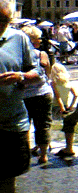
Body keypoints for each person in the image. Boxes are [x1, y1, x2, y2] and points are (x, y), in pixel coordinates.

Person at [0, 0, 42, 193]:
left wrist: (21, 76)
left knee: (8, 179)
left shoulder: (19, 38)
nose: (2, 25)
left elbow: (39, 74)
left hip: (12, 123)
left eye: (5, 20)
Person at [21, 25, 54, 165]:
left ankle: (25, 153)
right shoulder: (42, 54)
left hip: (24, 95)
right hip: (43, 93)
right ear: (33, 40)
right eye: (38, 38)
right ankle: (43, 155)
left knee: (25, 125)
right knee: (43, 125)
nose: (40, 41)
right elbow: (48, 73)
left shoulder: (19, 56)